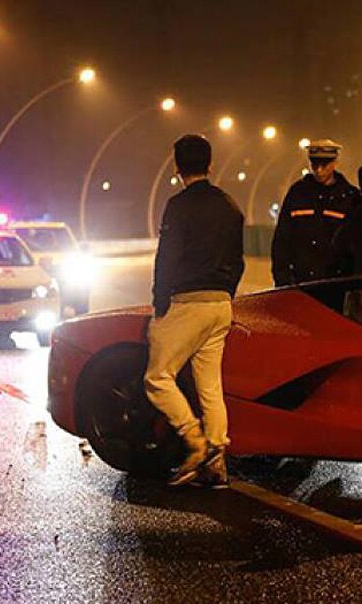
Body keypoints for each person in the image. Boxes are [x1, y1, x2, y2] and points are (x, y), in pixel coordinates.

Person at [144, 134, 245, 487]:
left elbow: (167, 257)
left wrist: (160, 305)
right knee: (210, 388)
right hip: (221, 305)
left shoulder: (178, 206)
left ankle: (195, 442)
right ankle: (217, 465)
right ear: (210, 164)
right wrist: (227, 294)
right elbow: (238, 260)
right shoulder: (231, 205)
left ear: (177, 167)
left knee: (157, 377)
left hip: (188, 303)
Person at [271, 139, 362, 285]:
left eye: (324, 165)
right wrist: (282, 279)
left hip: (336, 284)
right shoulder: (297, 193)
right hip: (299, 282)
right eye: (314, 164)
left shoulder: (350, 197)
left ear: (335, 162)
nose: (319, 170)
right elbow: (282, 239)